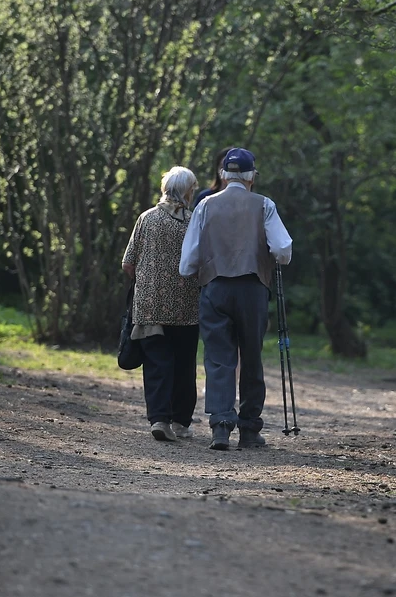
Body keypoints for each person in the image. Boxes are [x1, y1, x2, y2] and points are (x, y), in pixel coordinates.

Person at [179, 147, 292, 450]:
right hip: (253, 289)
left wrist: (199, 271)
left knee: (218, 359)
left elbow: (187, 261)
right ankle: (250, 428)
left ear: (223, 175)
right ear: (252, 176)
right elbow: (283, 250)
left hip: (214, 287)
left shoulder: (205, 205)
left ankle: (220, 426)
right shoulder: (264, 205)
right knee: (251, 357)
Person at [122, 166, 201, 442]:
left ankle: (159, 420)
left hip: (149, 307)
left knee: (156, 364)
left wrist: (148, 281)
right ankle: (180, 421)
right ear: (188, 191)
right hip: (187, 308)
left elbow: (128, 262)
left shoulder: (146, 218)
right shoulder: (194, 222)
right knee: (183, 364)